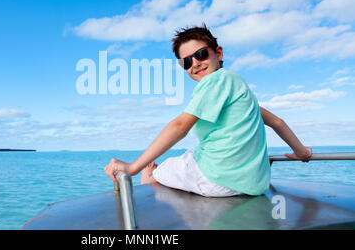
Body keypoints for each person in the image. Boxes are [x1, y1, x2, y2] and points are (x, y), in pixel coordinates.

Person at [104, 24, 312, 197]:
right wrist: (301, 152)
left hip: (217, 180)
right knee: (192, 153)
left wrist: (133, 167)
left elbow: (180, 126)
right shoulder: (238, 88)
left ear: (218, 53)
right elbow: (277, 122)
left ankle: (151, 179)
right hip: (254, 183)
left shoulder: (216, 80)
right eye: (186, 62)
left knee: (164, 167)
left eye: (201, 54)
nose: (194, 64)